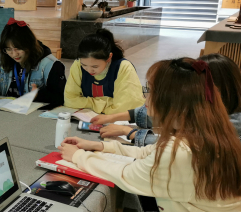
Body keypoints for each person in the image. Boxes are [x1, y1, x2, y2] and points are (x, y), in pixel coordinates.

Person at [59, 57, 241, 212]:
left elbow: (126, 175)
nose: (145, 99)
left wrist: (78, 157)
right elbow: (148, 152)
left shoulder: (182, 153)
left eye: (151, 91)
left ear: (171, 101)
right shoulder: (210, 132)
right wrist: (101, 147)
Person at [91, 53, 241, 146]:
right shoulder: (203, 108)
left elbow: (177, 146)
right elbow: (162, 116)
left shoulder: (227, 125)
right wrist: (113, 117)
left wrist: (128, 132)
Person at [0, 18, 65, 106]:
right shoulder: (4, 58)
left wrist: (38, 95)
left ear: (29, 44)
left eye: (18, 48)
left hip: (33, 116)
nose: (14, 54)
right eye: (8, 49)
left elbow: (61, 97)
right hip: (7, 112)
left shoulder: (50, 65)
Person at [64, 29, 144, 114]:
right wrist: (108, 103)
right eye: (84, 65)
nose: (89, 70)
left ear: (109, 57)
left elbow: (126, 108)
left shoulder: (123, 67)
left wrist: (87, 103)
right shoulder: (78, 64)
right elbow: (69, 100)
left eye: (95, 66)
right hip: (89, 117)